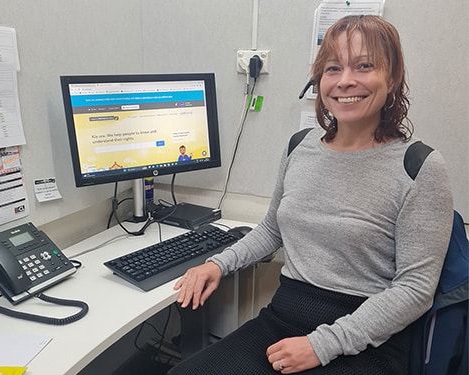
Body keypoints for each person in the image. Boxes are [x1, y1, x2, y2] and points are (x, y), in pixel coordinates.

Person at [167, 15, 453, 375]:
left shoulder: (419, 167)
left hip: (367, 338)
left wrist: (323, 344)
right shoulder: (300, 147)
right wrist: (217, 264)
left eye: (364, 66)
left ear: (392, 77)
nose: (346, 80)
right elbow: (272, 230)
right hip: (283, 319)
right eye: (333, 68)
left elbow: (414, 289)